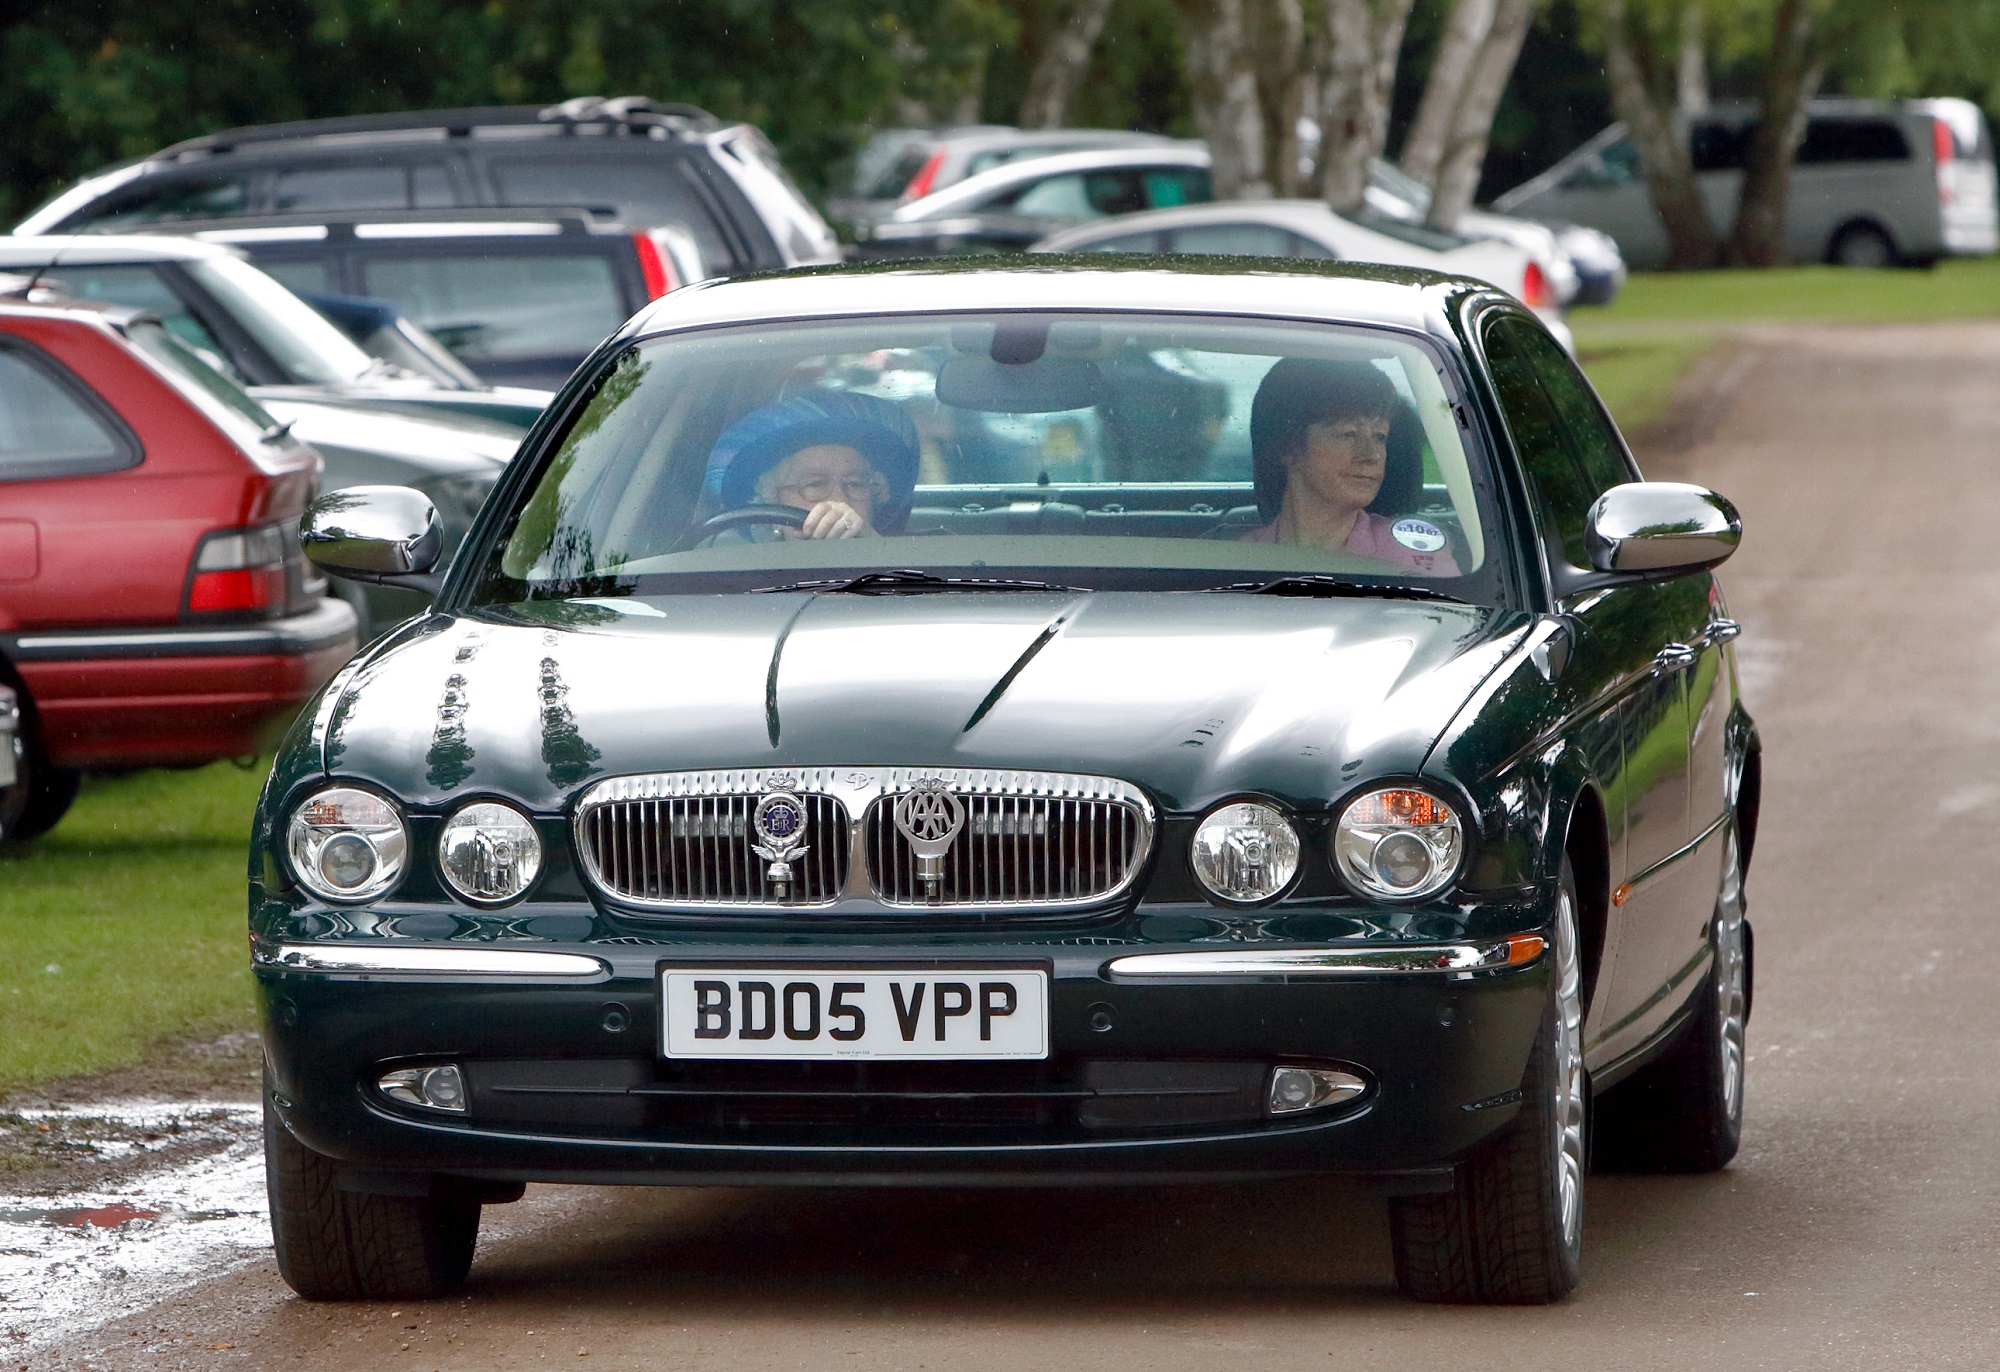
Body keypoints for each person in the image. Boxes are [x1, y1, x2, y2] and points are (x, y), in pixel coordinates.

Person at [1243, 357, 1460, 576]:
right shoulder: (1239, 557)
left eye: (1379, 436)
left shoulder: (1416, 561)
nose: (1371, 455)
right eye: (1348, 434)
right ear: (1290, 449)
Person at [701, 391, 920, 539]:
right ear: (769, 501)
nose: (840, 502)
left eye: (855, 484)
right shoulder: (734, 579)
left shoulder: (915, 567)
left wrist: (872, 545)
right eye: (815, 484)